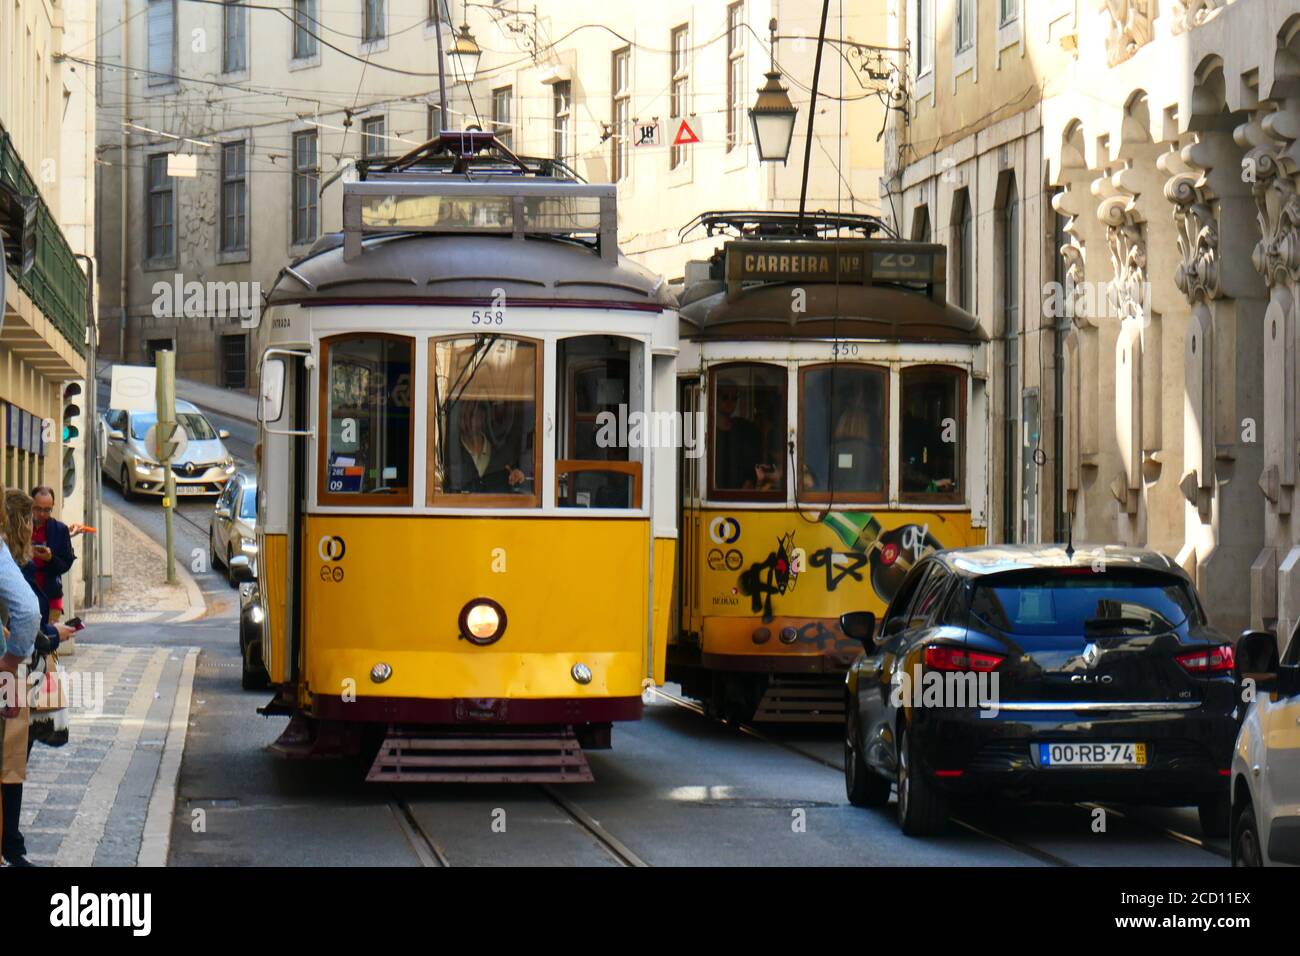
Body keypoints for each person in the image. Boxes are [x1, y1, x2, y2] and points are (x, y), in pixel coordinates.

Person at [0, 489, 68, 867]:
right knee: (10, 761)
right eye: (30, 517)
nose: (35, 524)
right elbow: (27, 614)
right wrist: (11, 659)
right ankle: (11, 845)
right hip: (11, 674)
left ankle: (11, 842)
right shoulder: (8, 558)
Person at [447, 400, 528, 494]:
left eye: (477, 416)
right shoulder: (450, 453)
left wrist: (518, 477)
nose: (472, 422)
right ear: (460, 418)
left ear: (484, 418)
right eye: (467, 415)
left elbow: (515, 490)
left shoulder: (503, 457)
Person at [28, 486, 76, 624]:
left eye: (47, 510)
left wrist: (50, 559)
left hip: (51, 596)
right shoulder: (23, 527)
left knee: (48, 641)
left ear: (53, 507)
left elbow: (66, 564)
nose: (42, 514)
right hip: (26, 593)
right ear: (31, 505)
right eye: (38, 509)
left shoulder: (60, 530)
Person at [713, 385, 762, 491]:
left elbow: (751, 463)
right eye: (725, 397)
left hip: (739, 496)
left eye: (734, 398)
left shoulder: (744, 429)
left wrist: (749, 481)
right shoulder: (708, 429)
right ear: (715, 398)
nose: (730, 401)